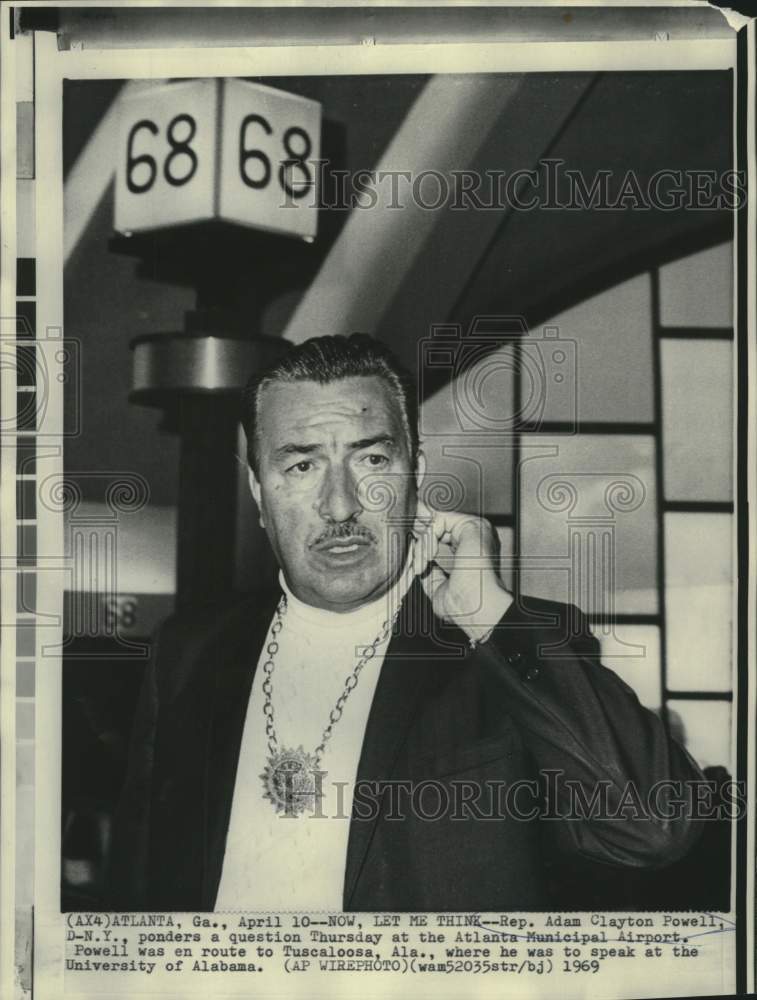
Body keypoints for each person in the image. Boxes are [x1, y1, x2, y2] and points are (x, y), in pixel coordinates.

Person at [107, 333, 704, 912]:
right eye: (301, 466)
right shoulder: (188, 651)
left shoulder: (504, 646)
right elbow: (137, 889)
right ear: (259, 491)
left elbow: (656, 827)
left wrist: (488, 617)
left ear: (414, 475)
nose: (340, 506)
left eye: (371, 458)